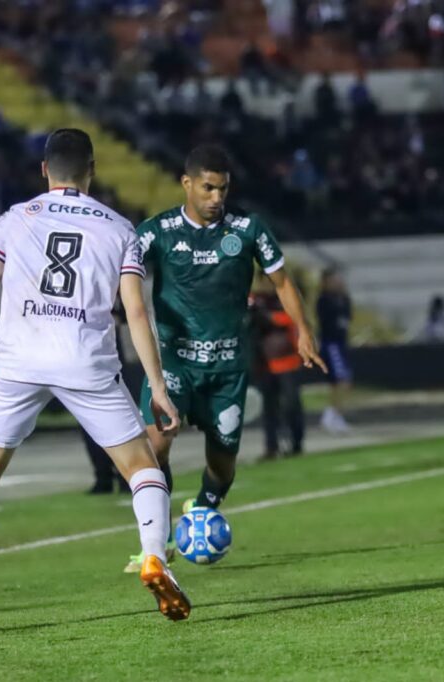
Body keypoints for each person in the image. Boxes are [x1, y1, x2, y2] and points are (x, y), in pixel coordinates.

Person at [0, 129, 189, 627]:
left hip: (18, 361)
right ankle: (153, 558)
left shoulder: (13, 219)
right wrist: (158, 387)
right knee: (141, 465)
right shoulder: (121, 229)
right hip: (85, 359)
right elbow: (136, 313)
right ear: (92, 171)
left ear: (45, 170)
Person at [125, 144, 325, 572]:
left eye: (223, 189)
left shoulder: (249, 230)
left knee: (222, 464)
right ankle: (156, 544)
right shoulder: (156, 232)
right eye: (208, 188)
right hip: (174, 365)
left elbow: (284, 282)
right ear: (187, 183)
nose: (217, 198)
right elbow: (122, 276)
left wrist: (304, 330)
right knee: (154, 446)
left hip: (228, 369)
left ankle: (201, 508)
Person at [254, 285, 305, 458]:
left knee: (291, 405)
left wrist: (269, 317)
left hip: (289, 363)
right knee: (269, 409)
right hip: (265, 365)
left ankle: (296, 443)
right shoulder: (257, 299)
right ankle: (271, 446)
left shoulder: (287, 295)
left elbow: (293, 318)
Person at [317, 267, 352, 433]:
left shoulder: (344, 299)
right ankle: (331, 415)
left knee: (341, 381)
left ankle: (335, 414)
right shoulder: (324, 300)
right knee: (340, 380)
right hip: (331, 345)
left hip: (341, 343)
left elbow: (347, 318)